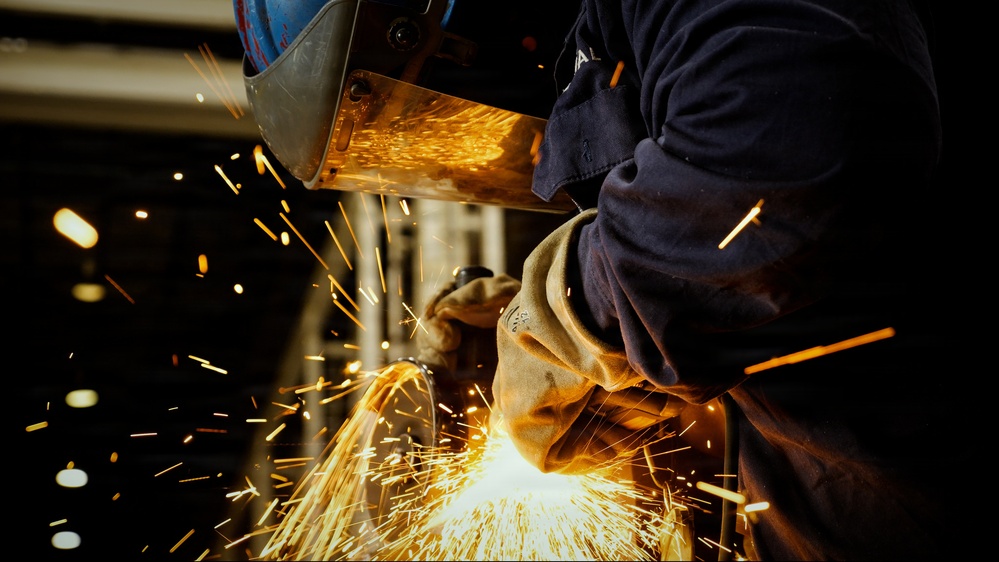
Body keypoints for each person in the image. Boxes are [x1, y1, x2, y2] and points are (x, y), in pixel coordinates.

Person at [236, 1, 973, 559]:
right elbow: (805, 300)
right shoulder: (634, 57)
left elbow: (788, 149)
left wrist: (575, 311)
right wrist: (625, 377)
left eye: (422, 103)